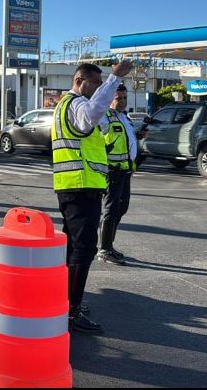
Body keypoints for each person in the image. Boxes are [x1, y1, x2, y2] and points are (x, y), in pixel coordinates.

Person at [51, 60, 133, 333]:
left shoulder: (68, 105)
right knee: (83, 250)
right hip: (80, 186)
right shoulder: (75, 104)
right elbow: (90, 115)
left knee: (73, 249)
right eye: (95, 83)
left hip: (76, 186)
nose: (99, 89)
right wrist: (114, 78)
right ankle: (71, 311)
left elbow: (94, 125)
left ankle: (64, 303)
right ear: (79, 81)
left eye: (101, 84)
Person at [98, 84, 141, 266]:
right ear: (110, 99)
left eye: (124, 98)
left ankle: (109, 245)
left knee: (121, 208)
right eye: (118, 98)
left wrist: (139, 136)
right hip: (112, 171)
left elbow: (125, 141)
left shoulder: (124, 118)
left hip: (125, 170)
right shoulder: (104, 117)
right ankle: (104, 250)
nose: (123, 102)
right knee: (110, 209)